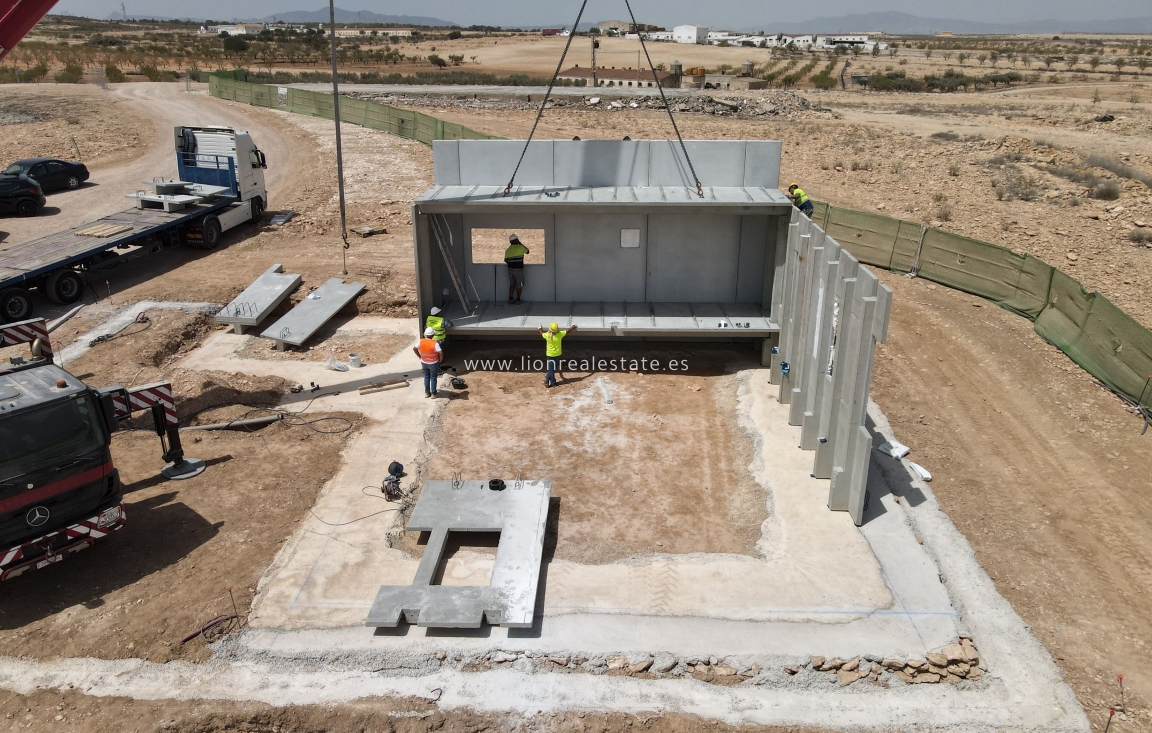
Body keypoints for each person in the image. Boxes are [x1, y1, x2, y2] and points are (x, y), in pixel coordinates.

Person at [537, 322, 577, 388]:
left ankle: (547, 379)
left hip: (550, 355)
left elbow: (541, 333)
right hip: (557, 354)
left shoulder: (547, 335)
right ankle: (553, 382)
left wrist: (539, 328)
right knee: (552, 369)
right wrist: (573, 326)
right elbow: (568, 331)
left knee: (551, 369)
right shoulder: (560, 334)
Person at [413, 327, 442, 398]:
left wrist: (419, 356)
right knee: (433, 378)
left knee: (426, 377)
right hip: (433, 364)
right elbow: (440, 352)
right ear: (433, 335)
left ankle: (427, 393)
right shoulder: (435, 343)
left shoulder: (421, 341)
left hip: (424, 363)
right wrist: (440, 360)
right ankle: (434, 394)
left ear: (425, 334)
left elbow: (414, 348)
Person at [504, 233, 530, 304]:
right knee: (520, 284)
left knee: (512, 284)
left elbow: (506, 260)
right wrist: (521, 243)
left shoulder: (508, 250)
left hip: (510, 270)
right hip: (519, 270)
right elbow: (528, 251)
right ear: (516, 240)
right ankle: (518, 300)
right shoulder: (520, 247)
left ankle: (510, 298)